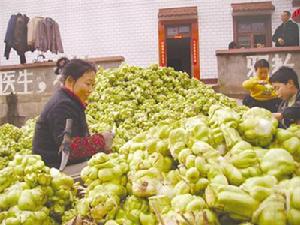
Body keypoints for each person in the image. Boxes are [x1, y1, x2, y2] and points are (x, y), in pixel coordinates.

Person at [33, 58, 113, 171]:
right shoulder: (62, 105)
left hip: (63, 165)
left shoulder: (70, 102)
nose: (91, 90)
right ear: (70, 81)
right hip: (55, 169)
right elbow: (68, 148)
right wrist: (101, 140)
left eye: (93, 85)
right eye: (88, 84)